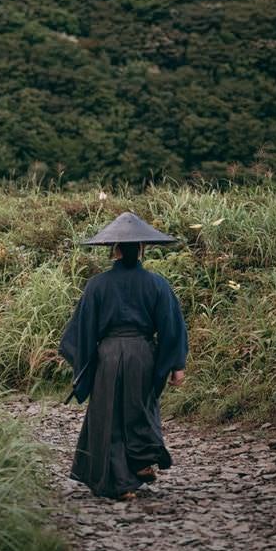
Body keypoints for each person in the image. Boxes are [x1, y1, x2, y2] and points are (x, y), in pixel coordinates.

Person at [59, 211, 188, 500]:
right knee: (141, 407)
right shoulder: (157, 284)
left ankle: (121, 482)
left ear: (114, 250)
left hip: (107, 356)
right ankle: (141, 460)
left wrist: (83, 363)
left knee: (109, 415)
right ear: (142, 249)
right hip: (143, 355)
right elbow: (171, 326)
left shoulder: (97, 285)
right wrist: (177, 366)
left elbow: (83, 330)